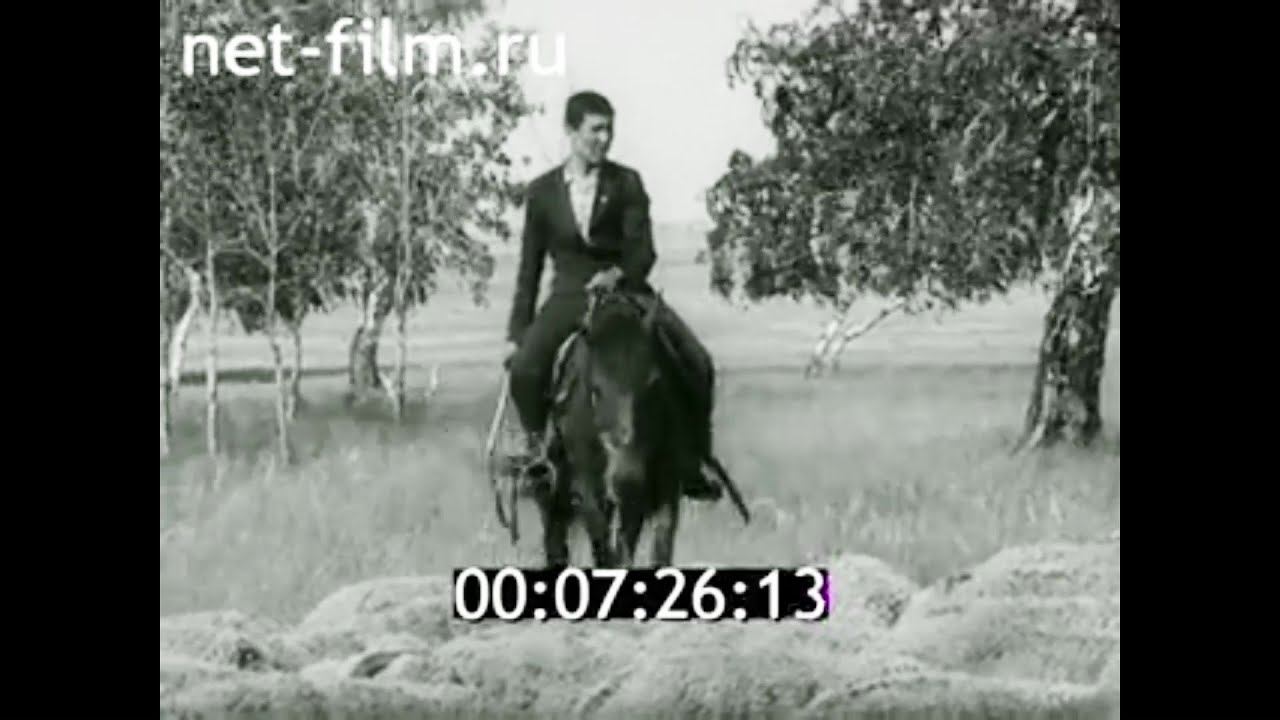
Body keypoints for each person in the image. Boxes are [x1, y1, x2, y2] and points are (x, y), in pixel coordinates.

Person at [504, 90, 724, 502]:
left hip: (627, 296)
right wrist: (517, 333)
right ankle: (537, 454)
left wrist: (618, 273)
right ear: (571, 131)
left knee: (698, 361)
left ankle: (693, 459)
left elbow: (644, 250)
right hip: (568, 298)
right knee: (525, 369)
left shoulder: (627, 183)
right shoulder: (542, 192)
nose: (604, 139)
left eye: (609, 130)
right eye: (595, 130)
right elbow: (529, 269)